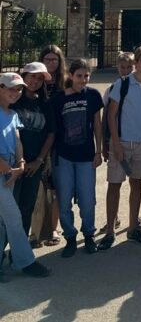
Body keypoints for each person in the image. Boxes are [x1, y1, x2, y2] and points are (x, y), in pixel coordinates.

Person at [99, 46, 141, 250]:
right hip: (122, 141)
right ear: (137, 63)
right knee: (114, 184)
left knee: (137, 184)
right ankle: (110, 231)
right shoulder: (122, 84)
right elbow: (111, 115)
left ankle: (133, 228)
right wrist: (115, 143)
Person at [0, 72, 50, 279]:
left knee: (4, 220)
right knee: (13, 217)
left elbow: (17, 139)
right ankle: (26, 261)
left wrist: (20, 163)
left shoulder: (12, 114)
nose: (16, 92)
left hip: (11, 169)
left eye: (19, 89)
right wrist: (5, 166)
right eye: (11, 88)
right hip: (3, 169)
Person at [52, 59, 104, 257]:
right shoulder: (59, 98)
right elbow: (53, 129)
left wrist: (98, 151)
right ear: (71, 76)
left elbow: (97, 124)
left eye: (86, 76)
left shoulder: (93, 95)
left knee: (88, 199)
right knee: (64, 199)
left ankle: (89, 234)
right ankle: (70, 236)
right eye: (79, 76)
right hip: (63, 156)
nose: (83, 80)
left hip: (86, 156)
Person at [11, 63, 55, 244]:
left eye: (40, 78)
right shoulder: (12, 99)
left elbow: (51, 133)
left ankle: (19, 248)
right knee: (8, 208)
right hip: (11, 164)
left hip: (34, 166)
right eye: (32, 76)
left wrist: (39, 160)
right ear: (24, 76)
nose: (35, 81)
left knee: (26, 207)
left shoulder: (45, 104)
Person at [99, 52, 134, 234]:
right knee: (115, 183)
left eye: (129, 67)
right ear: (117, 68)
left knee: (135, 182)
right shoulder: (112, 88)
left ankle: (134, 218)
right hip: (116, 141)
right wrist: (105, 144)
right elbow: (106, 117)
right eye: (122, 67)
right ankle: (112, 219)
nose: (126, 71)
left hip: (134, 140)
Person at [37, 45, 67, 247]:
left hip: (60, 141)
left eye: (54, 59)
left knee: (56, 187)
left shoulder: (65, 83)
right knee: (38, 188)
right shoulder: (35, 83)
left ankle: (53, 228)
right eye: (47, 59)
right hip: (38, 139)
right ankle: (36, 229)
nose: (50, 63)